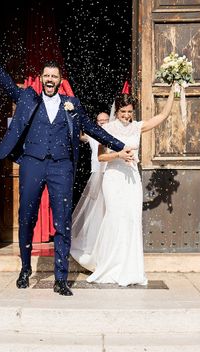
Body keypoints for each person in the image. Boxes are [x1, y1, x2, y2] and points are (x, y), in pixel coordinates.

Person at [0, 17, 134, 296]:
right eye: (46, 76)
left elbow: (94, 128)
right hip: (33, 164)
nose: (49, 80)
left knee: (62, 222)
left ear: (60, 81)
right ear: (41, 78)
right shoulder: (27, 98)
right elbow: (2, 78)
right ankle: (25, 269)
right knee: (26, 218)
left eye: (54, 77)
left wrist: (120, 146)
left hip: (62, 167)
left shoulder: (72, 106)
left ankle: (61, 278)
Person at [71, 87, 175, 286]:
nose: (126, 116)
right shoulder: (107, 129)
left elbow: (163, 115)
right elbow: (101, 157)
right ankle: (110, 264)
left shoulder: (137, 127)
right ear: (116, 112)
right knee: (115, 217)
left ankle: (130, 268)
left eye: (129, 112)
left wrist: (173, 90)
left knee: (131, 218)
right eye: (123, 112)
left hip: (132, 178)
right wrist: (118, 154)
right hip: (113, 177)